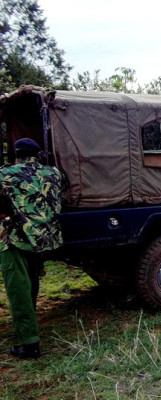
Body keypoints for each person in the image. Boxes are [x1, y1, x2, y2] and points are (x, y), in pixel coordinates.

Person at [0, 138, 66, 359]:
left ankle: (29, 344)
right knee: (31, 281)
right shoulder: (54, 174)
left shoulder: (5, 174)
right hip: (45, 240)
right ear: (37, 155)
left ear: (16, 154)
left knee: (18, 289)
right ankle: (29, 321)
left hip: (16, 239)